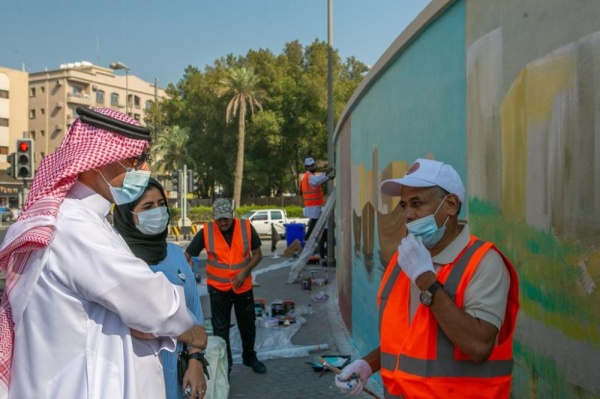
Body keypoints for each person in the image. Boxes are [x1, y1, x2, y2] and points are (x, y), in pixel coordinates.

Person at [0, 107, 206, 398]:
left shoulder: (86, 220)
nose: (144, 170)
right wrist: (187, 330)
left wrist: (145, 323)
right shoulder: (74, 226)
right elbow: (155, 304)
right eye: (135, 160)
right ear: (96, 161)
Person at [335, 158, 519, 398]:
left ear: (450, 205)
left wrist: (426, 280)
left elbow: (479, 346)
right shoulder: (403, 262)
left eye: (417, 203)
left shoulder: (484, 263)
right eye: (403, 205)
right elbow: (409, 341)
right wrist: (369, 364)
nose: (408, 215)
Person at [113, 178, 208, 399]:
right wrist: (186, 335)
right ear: (128, 214)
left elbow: (194, 312)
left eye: (161, 204)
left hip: (180, 371)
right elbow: (128, 322)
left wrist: (195, 359)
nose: (158, 212)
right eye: (147, 207)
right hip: (137, 375)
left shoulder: (174, 253)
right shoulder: (120, 260)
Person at [185, 198, 267, 376]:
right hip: (218, 289)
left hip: (242, 286)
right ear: (214, 217)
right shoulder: (206, 232)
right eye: (219, 219)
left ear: (232, 215)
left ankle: (250, 357)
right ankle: (225, 365)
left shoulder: (246, 227)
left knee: (247, 324)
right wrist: (182, 276)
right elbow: (188, 254)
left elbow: (258, 254)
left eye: (226, 218)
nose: (223, 222)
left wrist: (245, 271)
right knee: (220, 329)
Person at [301, 157, 333, 240]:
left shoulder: (310, 176)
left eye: (313, 165)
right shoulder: (309, 177)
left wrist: (328, 178)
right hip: (313, 205)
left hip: (314, 205)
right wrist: (326, 173)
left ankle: (312, 238)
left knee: (316, 223)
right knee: (314, 223)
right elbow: (316, 181)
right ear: (307, 167)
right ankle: (308, 238)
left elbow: (318, 181)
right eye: (311, 166)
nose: (313, 167)